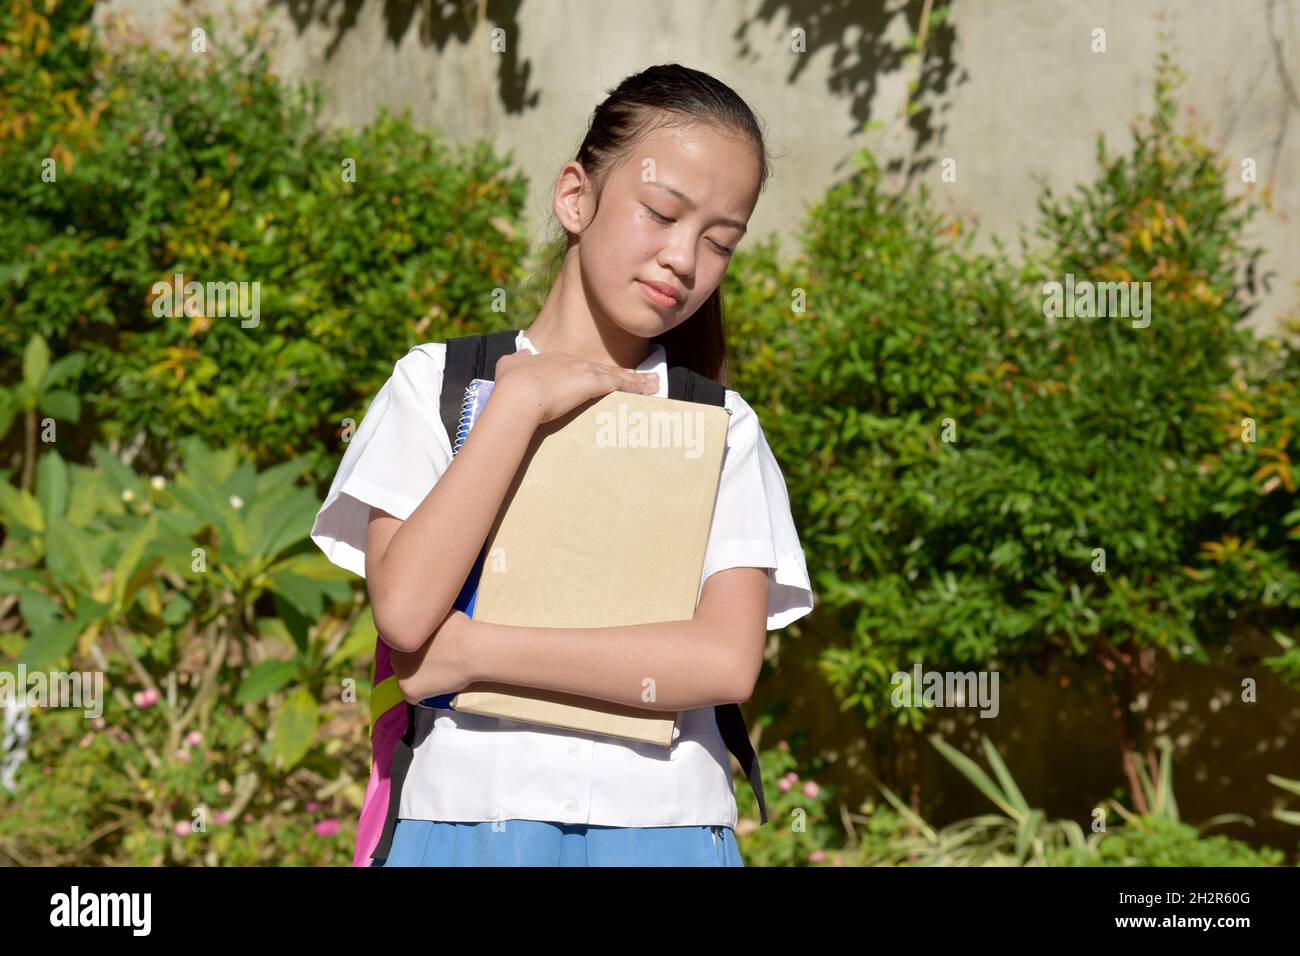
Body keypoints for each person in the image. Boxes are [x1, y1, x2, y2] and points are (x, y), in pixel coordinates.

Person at [310, 63, 814, 866]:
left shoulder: (721, 425)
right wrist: (516, 407)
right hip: (463, 826)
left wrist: (475, 651)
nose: (684, 259)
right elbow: (405, 616)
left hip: (668, 832)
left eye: (720, 241)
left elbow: (724, 659)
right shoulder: (439, 385)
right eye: (660, 213)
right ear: (575, 195)